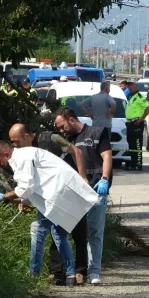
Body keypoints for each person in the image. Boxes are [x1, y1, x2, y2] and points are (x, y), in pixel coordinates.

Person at [0, 141, 99, 288]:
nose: (0, 164)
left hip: (57, 194)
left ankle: (33, 275)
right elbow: (33, 188)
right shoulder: (28, 153)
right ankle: (70, 275)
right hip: (63, 192)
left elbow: (26, 187)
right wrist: (19, 199)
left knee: (37, 229)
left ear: (6, 154)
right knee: (59, 233)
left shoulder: (21, 158)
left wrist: (3, 197)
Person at [8, 123, 89, 285]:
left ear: (26, 136)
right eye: (11, 142)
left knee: (72, 233)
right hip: (51, 194)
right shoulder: (25, 152)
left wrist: (82, 179)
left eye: (16, 141)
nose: (14, 146)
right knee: (58, 234)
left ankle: (74, 271)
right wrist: (26, 200)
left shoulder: (50, 138)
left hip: (65, 189)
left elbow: (77, 151)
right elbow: (36, 182)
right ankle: (63, 274)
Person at [54, 107, 112, 285]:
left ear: (71, 119)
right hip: (73, 193)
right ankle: (69, 270)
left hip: (95, 190)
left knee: (95, 232)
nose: (61, 130)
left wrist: (104, 179)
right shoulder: (65, 140)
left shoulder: (96, 133)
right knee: (70, 232)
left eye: (62, 125)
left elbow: (107, 156)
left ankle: (94, 271)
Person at [124, 80, 149, 171]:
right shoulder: (131, 97)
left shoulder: (139, 96)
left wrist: (141, 119)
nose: (129, 87)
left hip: (136, 123)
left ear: (135, 86)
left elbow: (148, 107)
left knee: (137, 144)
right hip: (130, 123)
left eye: (131, 85)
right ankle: (133, 163)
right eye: (128, 86)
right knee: (131, 144)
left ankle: (139, 164)